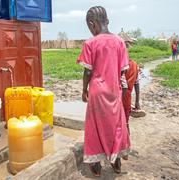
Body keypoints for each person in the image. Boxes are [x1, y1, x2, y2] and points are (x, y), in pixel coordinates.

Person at [77, 6, 130, 177]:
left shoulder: (90, 43)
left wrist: (84, 89)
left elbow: (87, 71)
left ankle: (96, 165)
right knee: (116, 125)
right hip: (114, 91)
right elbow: (122, 70)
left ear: (92, 24)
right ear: (106, 21)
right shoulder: (120, 42)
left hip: (97, 92)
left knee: (95, 127)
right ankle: (116, 161)